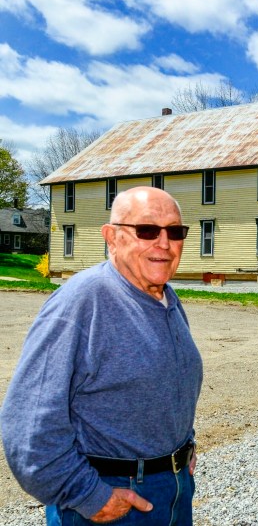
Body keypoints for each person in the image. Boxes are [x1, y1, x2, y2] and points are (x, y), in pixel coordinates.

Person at [1, 186, 203, 525]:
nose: (164, 244)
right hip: (113, 502)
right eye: (148, 231)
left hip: (174, 492)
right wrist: (85, 495)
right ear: (112, 237)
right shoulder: (81, 302)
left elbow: (167, 383)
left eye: (175, 232)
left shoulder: (166, 298)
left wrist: (184, 446)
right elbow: (29, 424)